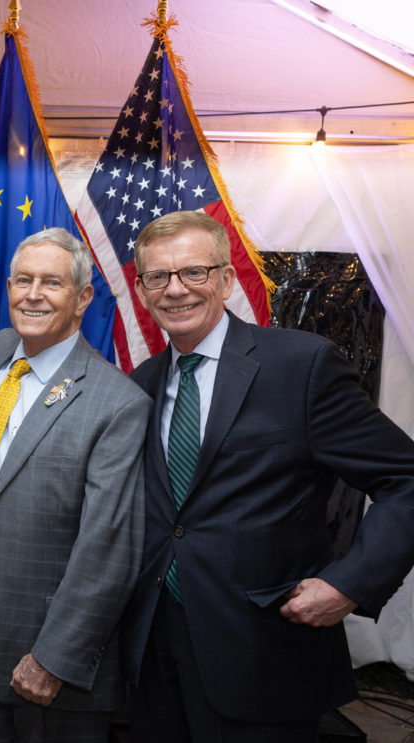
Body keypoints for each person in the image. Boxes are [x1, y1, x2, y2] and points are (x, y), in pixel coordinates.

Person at [122, 210, 414, 742]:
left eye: (194, 271)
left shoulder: (301, 366)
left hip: (265, 653)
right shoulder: (140, 385)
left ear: (226, 279)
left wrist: (350, 582)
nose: (176, 289)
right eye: (158, 276)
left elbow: (405, 480)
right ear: (141, 291)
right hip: (154, 657)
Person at [0, 227, 150, 742]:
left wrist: (55, 657)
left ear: (82, 298)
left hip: (49, 659)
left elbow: (108, 550)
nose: (33, 295)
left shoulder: (118, 404)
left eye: (52, 283)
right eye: (23, 280)